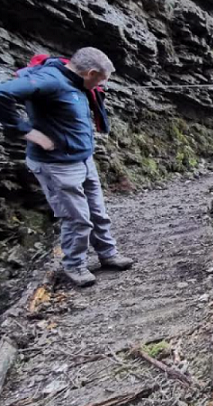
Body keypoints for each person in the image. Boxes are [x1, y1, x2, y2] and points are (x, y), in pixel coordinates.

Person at [0, 47, 134, 287]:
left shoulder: (76, 83)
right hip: (58, 165)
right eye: (100, 80)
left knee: (98, 213)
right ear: (90, 72)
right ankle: (74, 265)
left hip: (83, 159)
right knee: (77, 218)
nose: (100, 86)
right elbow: (3, 93)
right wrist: (28, 132)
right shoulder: (50, 80)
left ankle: (108, 254)